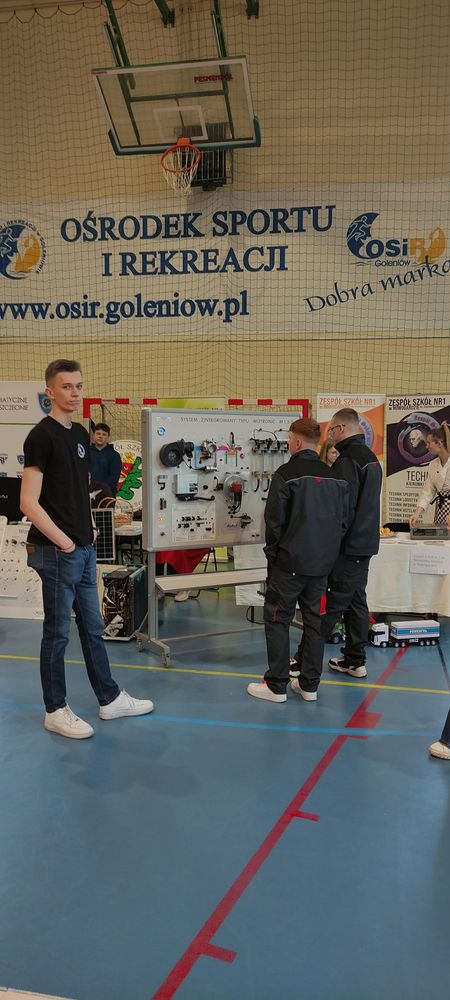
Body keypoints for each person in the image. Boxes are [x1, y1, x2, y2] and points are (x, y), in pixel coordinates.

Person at [20, 359, 154, 740]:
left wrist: (90, 526)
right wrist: (64, 540)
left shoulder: (80, 434)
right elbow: (29, 502)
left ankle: (109, 699)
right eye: (67, 387)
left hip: (82, 548)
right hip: (56, 551)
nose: (75, 393)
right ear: (50, 392)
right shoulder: (40, 437)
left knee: (94, 628)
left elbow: (80, 489)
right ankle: (55, 709)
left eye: (79, 386)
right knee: (57, 633)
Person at [247, 417, 349, 703]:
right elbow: (343, 522)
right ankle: (309, 685)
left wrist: (274, 557)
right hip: (321, 566)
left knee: (277, 619)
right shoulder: (336, 478)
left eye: (290, 439)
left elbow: (274, 523)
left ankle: (277, 685)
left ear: (297, 441)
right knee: (315, 623)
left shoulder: (286, 474)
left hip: (289, 565)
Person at [291, 407, 382, 681]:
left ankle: (303, 661)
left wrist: (327, 543)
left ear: (341, 428)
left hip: (348, 546)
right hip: (365, 544)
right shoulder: (371, 458)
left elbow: (343, 509)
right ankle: (354, 660)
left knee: (330, 607)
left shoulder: (347, 461)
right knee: (356, 601)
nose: (329, 435)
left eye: (330, 430)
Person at [409, 422, 450, 528]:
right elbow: (428, 491)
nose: (426, 446)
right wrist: (417, 513)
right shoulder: (433, 464)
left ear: (439, 444)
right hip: (441, 510)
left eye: (428, 443)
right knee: (441, 536)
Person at [89, 422, 123, 497]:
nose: (100, 436)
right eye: (98, 433)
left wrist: (99, 489)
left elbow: (114, 477)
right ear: (93, 435)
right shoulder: (87, 453)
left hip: (107, 494)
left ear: (108, 437)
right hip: (88, 494)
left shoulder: (114, 455)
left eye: (104, 434)